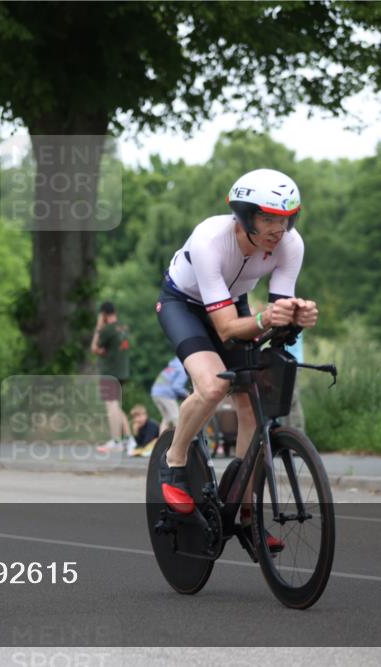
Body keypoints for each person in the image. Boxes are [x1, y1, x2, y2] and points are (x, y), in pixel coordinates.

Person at [155, 168, 318, 554]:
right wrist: (265, 319)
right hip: (185, 305)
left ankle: (245, 510)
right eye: (268, 218)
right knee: (213, 385)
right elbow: (228, 329)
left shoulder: (291, 245)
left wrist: (298, 317)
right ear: (244, 216)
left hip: (234, 304)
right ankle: (173, 460)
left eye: (286, 218)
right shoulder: (211, 239)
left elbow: (278, 317)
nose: (279, 229)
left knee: (253, 403)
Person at [91, 302, 135, 453]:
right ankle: (128, 437)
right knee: (117, 405)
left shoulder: (107, 330)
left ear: (103, 314)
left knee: (111, 406)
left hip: (110, 372)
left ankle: (116, 441)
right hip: (122, 371)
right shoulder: (123, 326)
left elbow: (95, 348)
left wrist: (98, 327)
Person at [150, 357, 189, 434]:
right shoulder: (182, 369)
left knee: (166, 419)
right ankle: (182, 441)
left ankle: (160, 443)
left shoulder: (173, 366)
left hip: (155, 392)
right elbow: (177, 387)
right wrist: (187, 394)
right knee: (177, 417)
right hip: (165, 394)